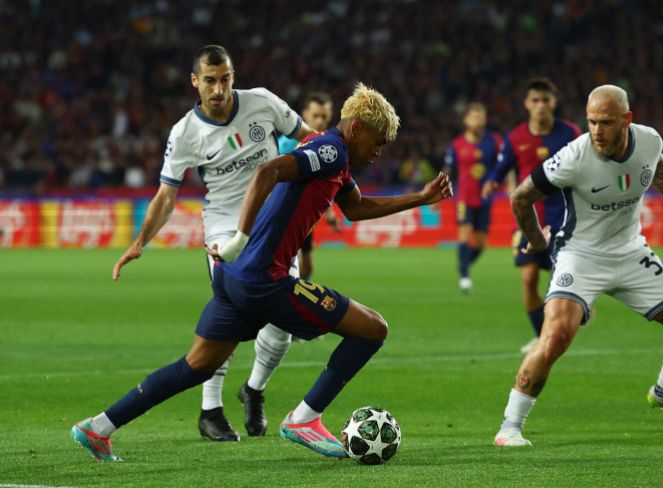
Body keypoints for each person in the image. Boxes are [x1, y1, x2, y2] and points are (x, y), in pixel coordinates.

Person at [72, 83, 453, 462]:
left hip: (235, 278)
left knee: (194, 366)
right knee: (373, 329)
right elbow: (267, 171)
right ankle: (304, 418)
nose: (378, 151)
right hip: (264, 281)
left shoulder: (332, 156)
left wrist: (420, 198)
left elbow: (355, 208)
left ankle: (99, 427)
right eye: (378, 141)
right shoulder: (331, 151)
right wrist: (240, 237)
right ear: (356, 129)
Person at [110, 45, 315, 442]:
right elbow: (166, 197)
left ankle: (253, 390)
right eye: (209, 81)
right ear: (195, 82)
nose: (218, 89)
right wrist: (140, 242)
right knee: (231, 319)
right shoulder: (186, 132)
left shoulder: (262, 102)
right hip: (224, 229)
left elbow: (308, 138)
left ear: (233, 77)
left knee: (281, 325)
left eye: (225, 79)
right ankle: (210, 410)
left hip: (274, 223)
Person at [493, 85, 663, 447]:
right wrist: (538, 242)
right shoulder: (574, 156)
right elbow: (521, 197)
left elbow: (656, 164)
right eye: (592, 122)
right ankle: (510, 426)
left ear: (627, 120)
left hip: (631, 252)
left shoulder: (649, 140)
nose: (597, 130)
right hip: (579, 255)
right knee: (555, 337)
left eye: (606, 122)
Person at [482, 78, 581, 353]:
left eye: (545, 100)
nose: (541, 106)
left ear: (554, 103)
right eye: (535, 100)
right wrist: (492, 181)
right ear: (527, 104)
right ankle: (542, 336)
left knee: (559, 285)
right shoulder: (515, 137)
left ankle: (574, 310)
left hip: (564, 219)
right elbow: (502, 166)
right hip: (528, 220)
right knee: (528, 280)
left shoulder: (570, 133)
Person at [278, 91, 342, 279]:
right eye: (315, 116)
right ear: (304, 114)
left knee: (306, 269)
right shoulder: (287, 144)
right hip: (284, 213)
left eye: (324, 116)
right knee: (290, 269)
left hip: (304, 215)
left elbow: (321, 183)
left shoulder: (325, 145)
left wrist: (329, 215)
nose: (320, 121)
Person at [444, 103, 503, 294]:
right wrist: (438, 191)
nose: (477, 121)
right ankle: (464, 277)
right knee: (464, 232)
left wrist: (509, 183)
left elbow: (504, 164)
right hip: (464, 197)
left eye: (480, 117)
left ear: (485, 120)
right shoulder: (457, 144)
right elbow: (449, 169)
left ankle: (463, 265)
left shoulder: (494, 141)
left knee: (480, 243)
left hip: (485, 197)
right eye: (473, 117)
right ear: (466, 120)